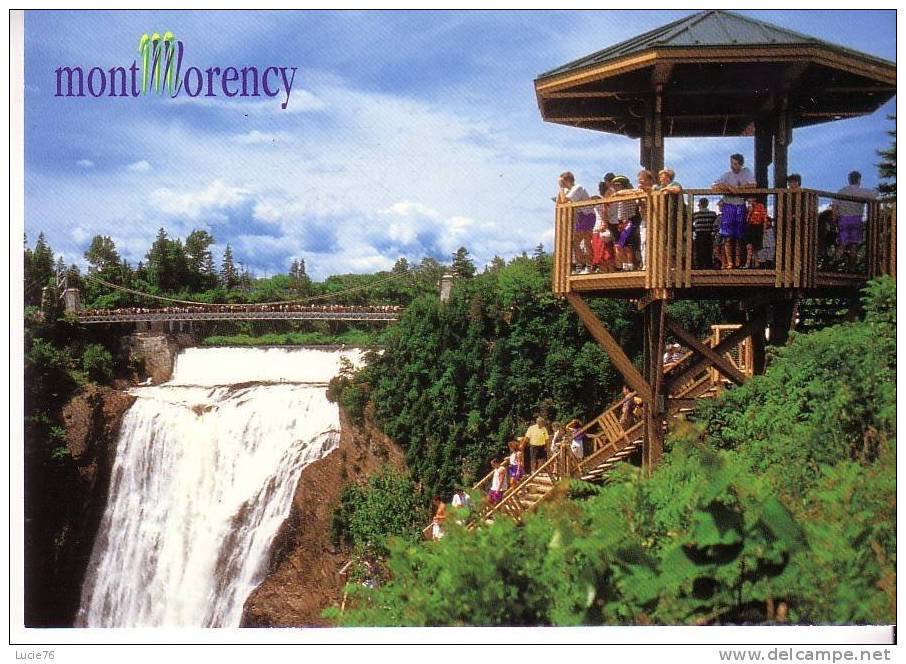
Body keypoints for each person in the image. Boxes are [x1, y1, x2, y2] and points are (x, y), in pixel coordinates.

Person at [712, 154, 756, 269]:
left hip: (740, 205)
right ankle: (730, 262)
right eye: (732, 163)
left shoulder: (746, 172)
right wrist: (728, 187)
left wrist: (739, 189)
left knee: (738, 235)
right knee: (727, 235)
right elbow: (714, 185)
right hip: (729, 206)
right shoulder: (727, 175)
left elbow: (753, 185)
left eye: (735, 164)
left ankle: (737, 261)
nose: (732, 166)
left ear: (741, 164)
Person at [834, 170, 876, 268]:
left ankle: (834, 266)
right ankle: (852, 268)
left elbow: (835, 205)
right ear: (859, 180)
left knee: (842, 244)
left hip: (843, 219)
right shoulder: (862, 192)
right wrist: (877, 189)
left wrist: (835, 218)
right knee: (854, 245)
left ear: (849, 180)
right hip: (856, 220)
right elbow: (874, 194)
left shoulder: (842, 191)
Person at [557, 171, 594, 274]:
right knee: (575, 242)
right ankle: (580, 265)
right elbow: (560, 202)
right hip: (580, 217)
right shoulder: (568, 191)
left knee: (586, 241)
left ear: (567, 180)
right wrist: (562, 190)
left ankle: (589, 266)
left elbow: (564, 201)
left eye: (562, 182)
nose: (562, 184)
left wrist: (560, 188)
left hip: (587, 215)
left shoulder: (578, 188)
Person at [692, 198, 718, 268]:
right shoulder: (713, 214)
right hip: (709, 234)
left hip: (699, 234)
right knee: (708, 250)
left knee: (699, 250)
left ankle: (699, 265)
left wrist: (694, 229)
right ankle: (708, 264)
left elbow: (690, 224)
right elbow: (715, 224)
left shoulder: (695, 215)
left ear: (699, 205)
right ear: (707, 204)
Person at [744, 197, 768, 268]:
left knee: (754, 247)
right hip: (749, 227)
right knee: (749, 246)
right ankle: (749, 264)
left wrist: (764, 228)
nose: (749, 201)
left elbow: (764, 218)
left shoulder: (760, 206)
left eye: (750, 200)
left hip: (757, 227)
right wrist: (750, 212)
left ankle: (755, 263)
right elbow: (747, 220)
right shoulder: (748, 207)